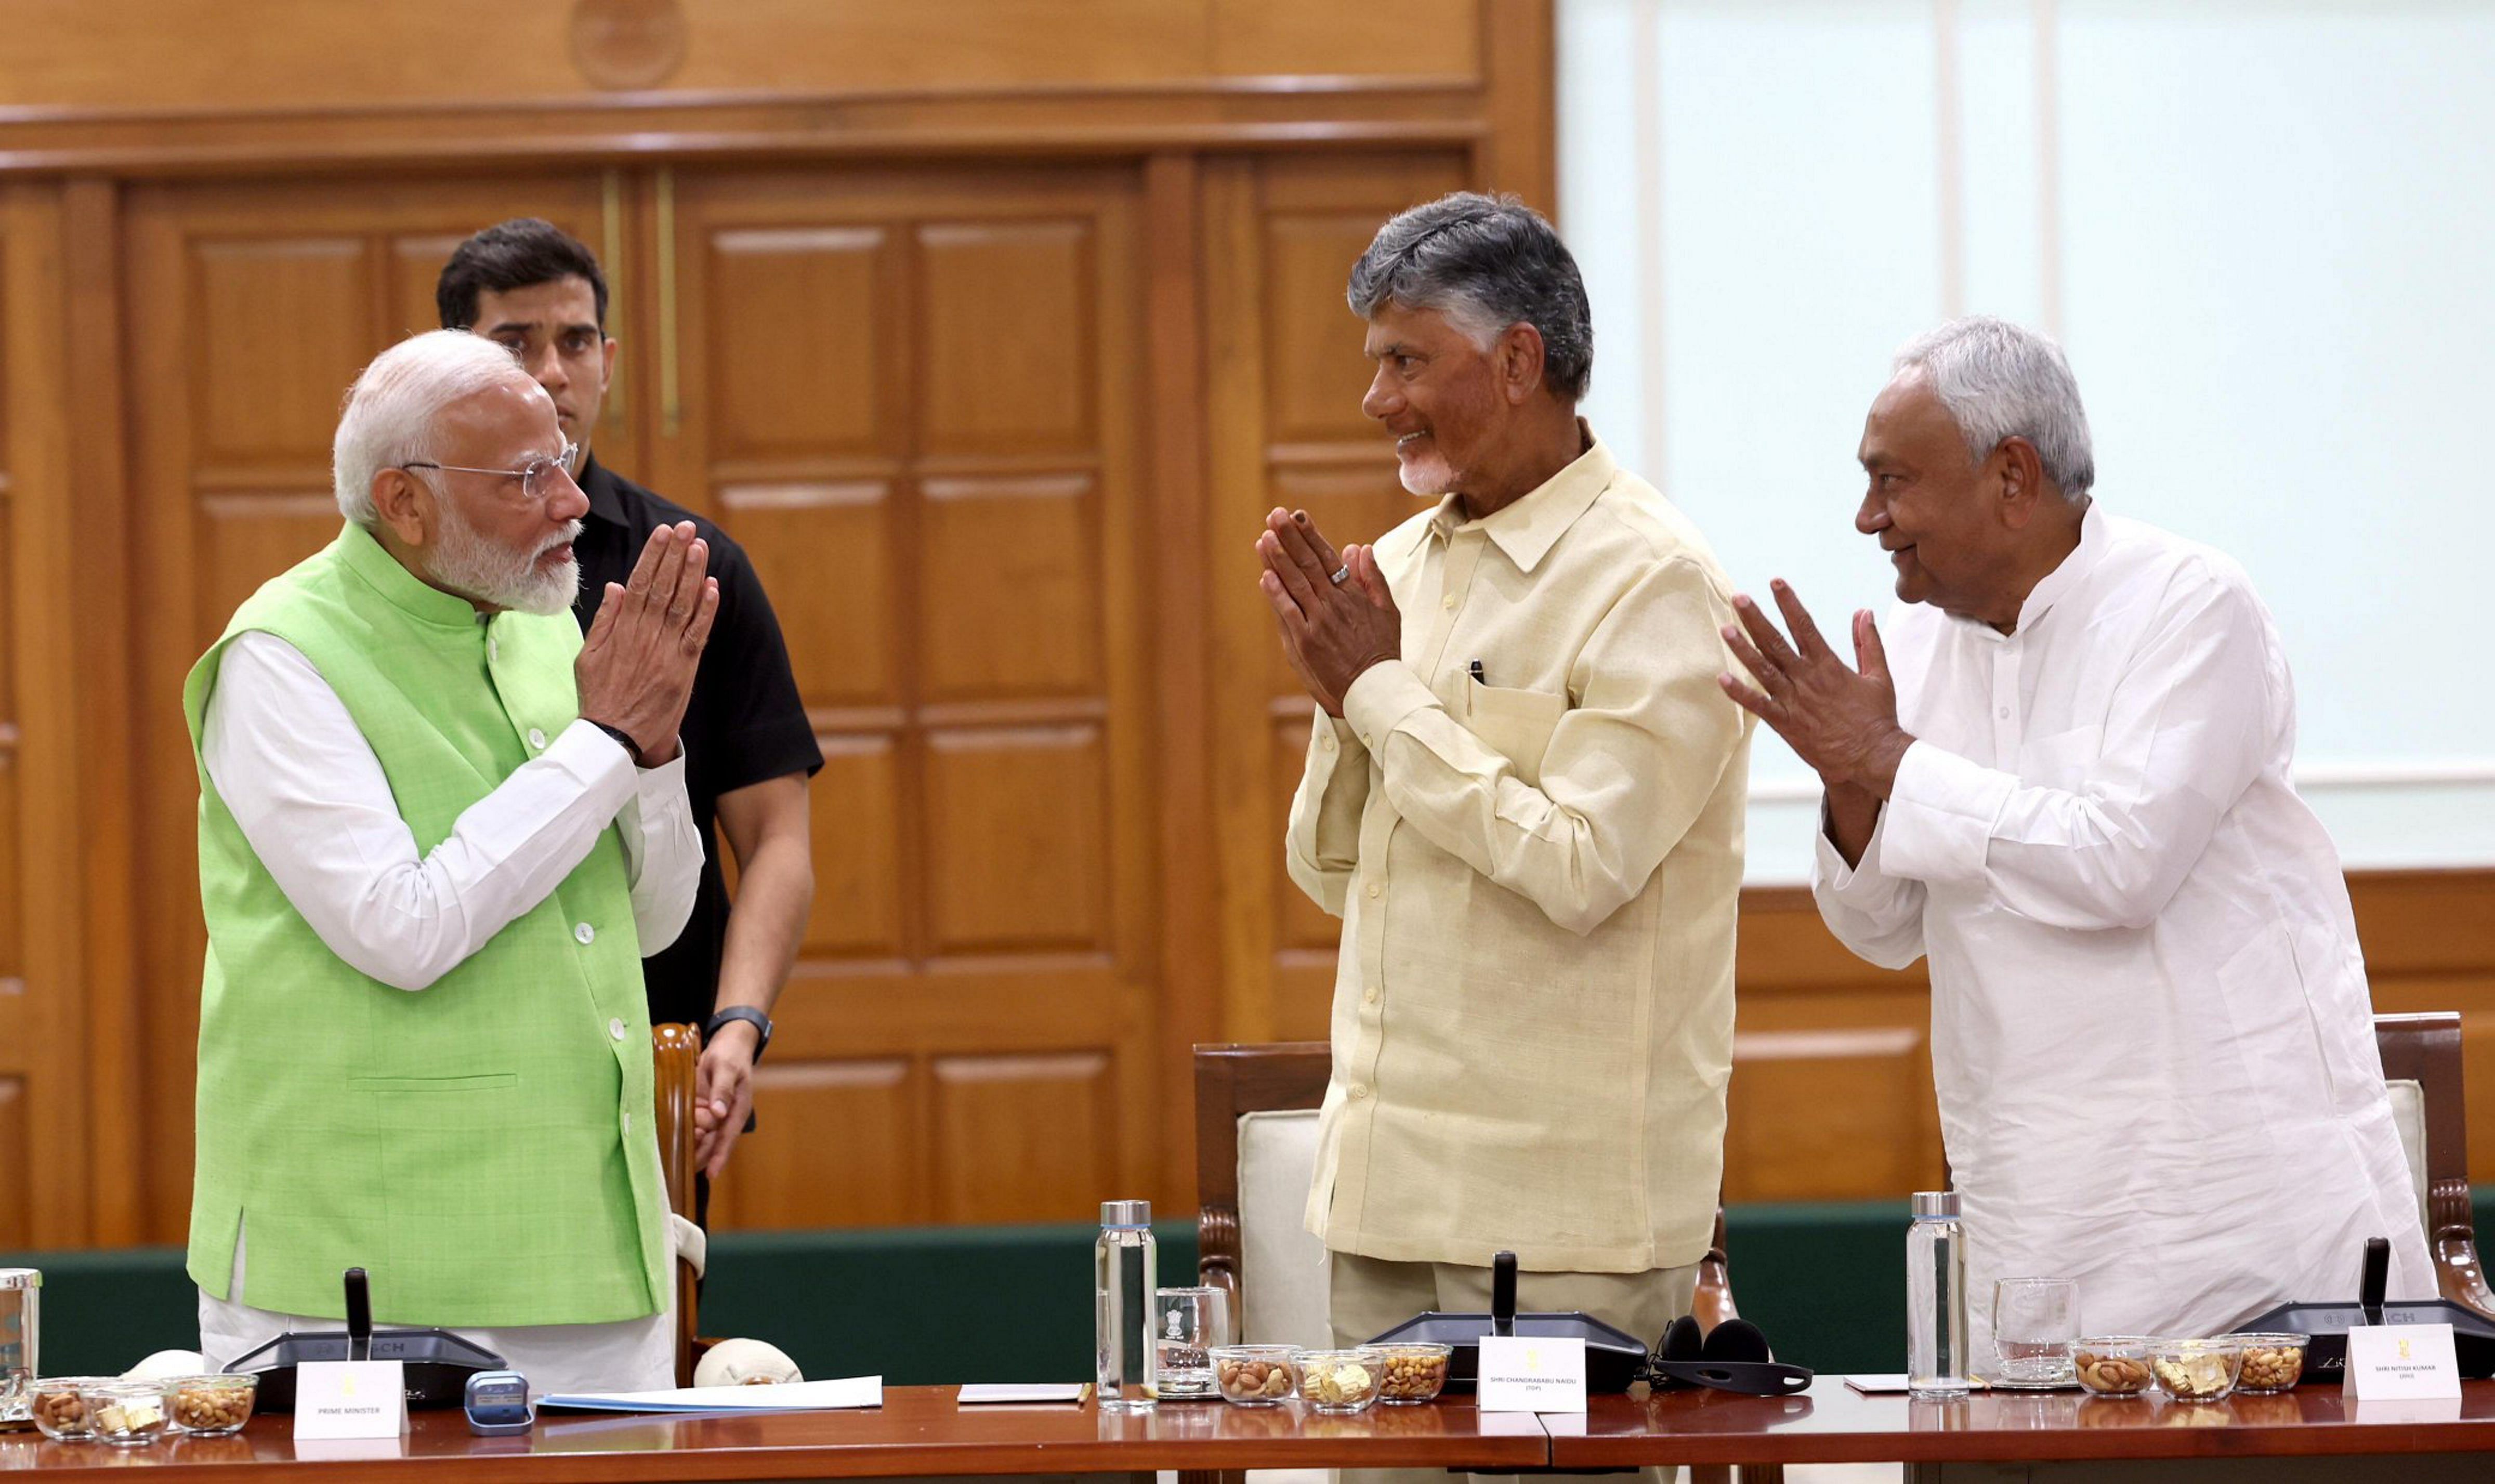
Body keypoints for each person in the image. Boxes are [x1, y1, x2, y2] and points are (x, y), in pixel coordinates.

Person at [1718, 315, 2433, 1356]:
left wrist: (1891, 762)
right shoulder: (1910, 645)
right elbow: (1881, 929)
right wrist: (1850, 780)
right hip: (2041, 1212)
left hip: (2244, 1215)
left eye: (1894, 481)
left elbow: (2119, 865)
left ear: (2012, 475)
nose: (1868, 517)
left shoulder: (2190, 606)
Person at [1258, 192, 1753, 1453]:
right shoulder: (1408, 564)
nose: (1378, 399)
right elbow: (1330, 873)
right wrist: (1347, 697)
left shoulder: (1654, 580)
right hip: (1381, 1202)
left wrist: (1378, 690)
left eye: (1406, 359)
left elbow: (1582, 867)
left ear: (1520, 360)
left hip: (1566, 1225)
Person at [186, 330, 718, 1393]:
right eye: (528, 478)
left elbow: (650, 925)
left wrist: (653, 758)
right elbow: (404, 929)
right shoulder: (281, 655)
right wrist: (604, 745)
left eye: (563, 460)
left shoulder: (548, 627)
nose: (574, 503)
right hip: (362, 1258)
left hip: (592, 1241)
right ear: (406, 501)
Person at [438, 220, 820, 1193]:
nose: (552, 372)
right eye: (513, 344)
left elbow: (774, 834)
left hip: (655, 1057)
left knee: (664, 1344)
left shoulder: (690, 566)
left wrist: (740, 1025)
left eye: (574, 342)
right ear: (452, 371)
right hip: (456, 1058)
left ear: (608, 361)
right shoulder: (418, 573)